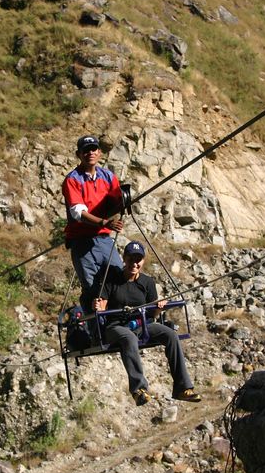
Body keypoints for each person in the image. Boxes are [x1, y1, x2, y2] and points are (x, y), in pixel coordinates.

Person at [93, 241, 201, 406]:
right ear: (125, 259)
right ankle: (138, 390)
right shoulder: (112, 280)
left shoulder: (147, 282)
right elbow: (102, 306)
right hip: (116, 327)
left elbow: (152, 313)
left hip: (142, 324)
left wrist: (159, 308)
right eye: (131, 259)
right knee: (129, 338)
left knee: (170, 334)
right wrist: (98, 306)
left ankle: (182, 387)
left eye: (138, 260)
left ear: (143, 261)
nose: (134, 264)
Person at [62, 134, 125, 309]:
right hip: (82, 242)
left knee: (118, 279)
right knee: (92, 289)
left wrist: (125, 201)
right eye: (85, 150)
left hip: (104, 240)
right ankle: (96, 331)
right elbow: (78, 212)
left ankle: (117, 324)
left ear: (99, 152)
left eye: (93, 149)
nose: (90, 153)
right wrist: (104, 223)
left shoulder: (108, 177)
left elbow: (116, 201)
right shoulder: (73, 180)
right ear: (79, 154)